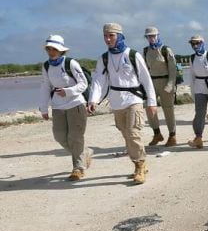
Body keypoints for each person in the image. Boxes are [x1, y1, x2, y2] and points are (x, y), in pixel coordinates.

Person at [87, 23, 157, 184]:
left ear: (119, 36)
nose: (108, 39)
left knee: (133, 133)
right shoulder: (103, 58)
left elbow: (146, 79)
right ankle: (140, 162)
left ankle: (139, 166)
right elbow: (98, 81)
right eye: (105, 36)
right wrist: (93, 99)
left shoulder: (132, 55)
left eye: (111, 35)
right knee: (126, 134)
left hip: (134, 99)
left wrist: (152, 102)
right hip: (116, 101)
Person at [38, 34, 93, 181]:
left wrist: (68, 91)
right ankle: (84, 153)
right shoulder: (46, 66)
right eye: (48, 48)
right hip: (57, 106)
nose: (51, 51)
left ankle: (78, 168)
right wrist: (43, 108)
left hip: (75, 103)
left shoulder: (71, 63)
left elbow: (83, 83)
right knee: (60, 136)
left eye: (54, 48)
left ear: (61, 50)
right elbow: (45, 86)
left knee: (75, 137)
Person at [142, 26, 177, 147]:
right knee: (149, 108)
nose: (151, 38)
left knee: (168, 110)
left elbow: (173, 69)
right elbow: (145, 69)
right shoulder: (146, 51)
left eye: (153, 36)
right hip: (152, 83)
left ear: (158, 35)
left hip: (165, 81)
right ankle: (157, 133)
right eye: (149, 36)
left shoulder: (166, 50)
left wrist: (170, 85)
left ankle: (172, 136)